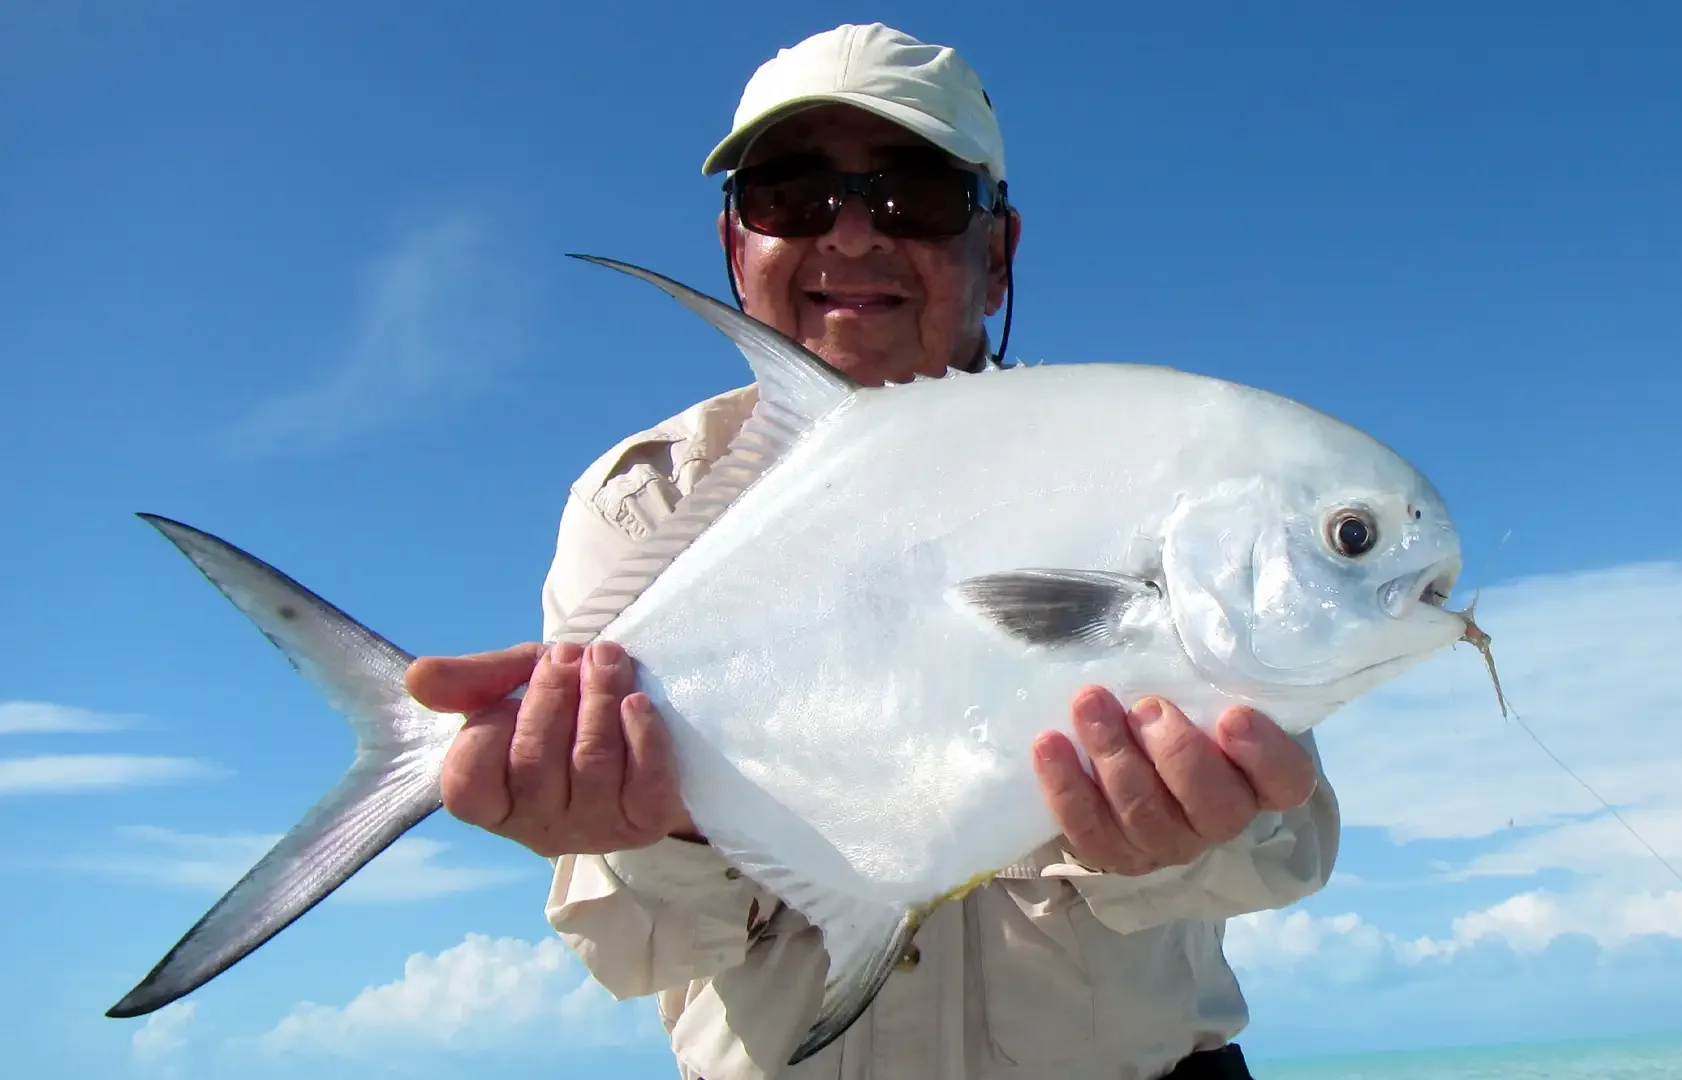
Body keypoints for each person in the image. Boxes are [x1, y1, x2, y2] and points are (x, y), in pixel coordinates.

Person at [404, 23, 1339, 1080]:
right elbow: (630, 945)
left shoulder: (1132, 465)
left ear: (997, 255)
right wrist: (663, 825)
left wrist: (1183, 839)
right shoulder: (649, 500)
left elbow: (1286, 850)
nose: (851, 239)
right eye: (792, 197)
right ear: (734, 250)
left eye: (915, 197)